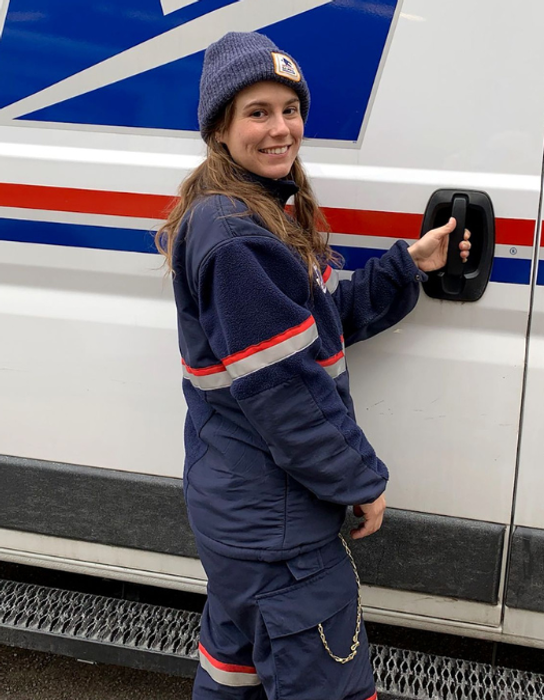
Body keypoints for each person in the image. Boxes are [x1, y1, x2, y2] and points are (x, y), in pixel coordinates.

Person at [154, 31, 469, 700]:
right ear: (220, 128)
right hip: (279, 524)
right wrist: (357, 481)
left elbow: (317, 323)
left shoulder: (254, 214)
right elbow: (285, 391)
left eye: (289, 109)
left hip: (240, 510)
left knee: (234, 670)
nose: (280, 129)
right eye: (257, 112)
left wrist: (406, 267)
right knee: (325, 682)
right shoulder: (239, 235)